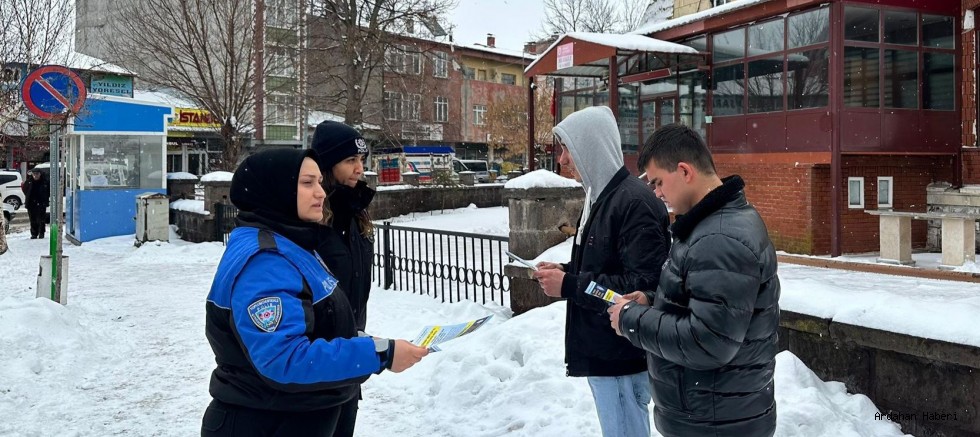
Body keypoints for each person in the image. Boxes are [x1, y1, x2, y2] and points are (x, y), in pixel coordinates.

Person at [202, 148, 429, 436]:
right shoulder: (265, 260)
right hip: (266, 422)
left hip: (296, 416)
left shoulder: (293, 244)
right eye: (307, 183)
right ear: (276, 190)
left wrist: (370, 342)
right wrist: (380, 355)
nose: (321, 193)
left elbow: (315, 322)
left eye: (320, 182)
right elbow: (284, 359)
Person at [609, 124, 780, 437]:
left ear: (685, 171)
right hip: (716, 417)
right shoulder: (715, 224)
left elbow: (708, 341)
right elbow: (705, 303)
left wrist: (632, 320)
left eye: (658, 182)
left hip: (714, 425)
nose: (657, 193)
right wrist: (652, 301)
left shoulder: (718, 238)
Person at [533, 106, 670, 437]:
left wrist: (570, 285)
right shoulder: (600, 197)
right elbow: (604, 267)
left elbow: (638, 289)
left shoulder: (633, 203)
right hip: (609, 353)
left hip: (621, 358)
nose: (563, 159)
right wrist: (565, 271)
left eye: (567, 148)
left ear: (589, 146)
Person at [310, 120, 375, 437]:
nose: (359, 169)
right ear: (327, 165)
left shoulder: (356, 213)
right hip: (315, 364)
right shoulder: (312, 219)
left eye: (361, 160)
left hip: (349, 359)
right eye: (350, 160)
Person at [23, 169, 49, 239]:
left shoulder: (45, 182)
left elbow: (48, 191)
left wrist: (45, 199)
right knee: (33, 219)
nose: (35, 176)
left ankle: (41, 233)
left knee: (41, 219)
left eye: (37, 174)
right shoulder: (29, 182)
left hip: (41, 203)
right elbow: (25, 190)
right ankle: (34, 233)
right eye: (34, 174)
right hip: (31, 204)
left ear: (40, 174)